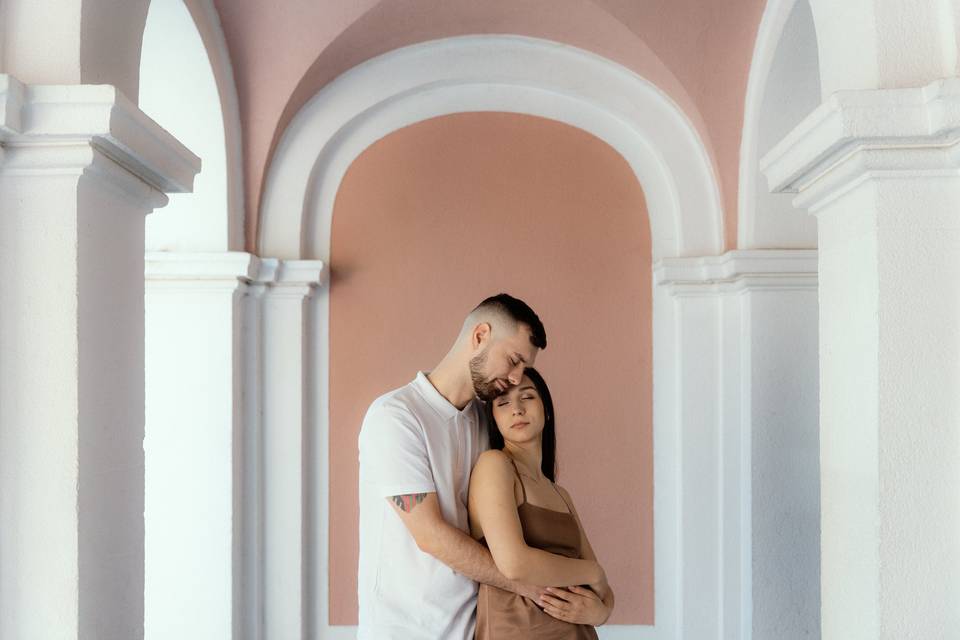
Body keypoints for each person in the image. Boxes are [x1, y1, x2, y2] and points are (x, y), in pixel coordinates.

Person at [357, 293, 548, 640]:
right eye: (514, 360)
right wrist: (527, 585)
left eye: (524, 367)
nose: (517, 377)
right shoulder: (396, 416)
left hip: (475, 627)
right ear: (480, 336)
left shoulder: (483, 420)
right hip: (405, 631)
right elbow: (430, 535)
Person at [468, 366, 615, 639]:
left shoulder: (560, 493)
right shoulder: (495, 465)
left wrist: (601, 613)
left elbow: (604, 595)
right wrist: (594, 573)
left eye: (527, 397)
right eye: (503, 403)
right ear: (495, 420)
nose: (517, 409)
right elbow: (514, 563)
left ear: (546, 409)